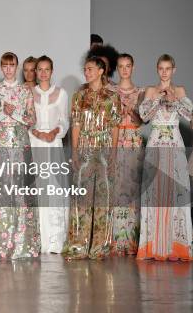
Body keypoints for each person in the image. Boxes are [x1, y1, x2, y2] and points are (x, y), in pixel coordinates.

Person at [0, 52, 39, 260]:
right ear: (1, 67)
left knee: (20, 191)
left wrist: (14, 113)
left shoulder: (25, 91)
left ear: (17, 66)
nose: (8, 69)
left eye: (11, 65)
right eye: (4, 66)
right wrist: (4, 112)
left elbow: (32, 119)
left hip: (20, 145)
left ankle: (22, 243)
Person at [63, 56, 121, 260]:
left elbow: (115, 127)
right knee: (81, 197)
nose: (86, 72)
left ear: (100, 71)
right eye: (85, 69)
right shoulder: (79, 96)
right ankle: (78, 245)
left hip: (104, 150)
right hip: (85, 149)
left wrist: (113, 153)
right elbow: (76, 126)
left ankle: (100, 246)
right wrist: (75, 152)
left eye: (89, 69)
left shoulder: (112, 97)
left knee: (103, 198)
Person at [137, 54, 193, 261]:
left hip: (175, 145)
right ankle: (154, 246)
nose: (164, 72)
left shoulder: (180, 91)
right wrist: (159, 98)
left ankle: (175, 247)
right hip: (156, 144)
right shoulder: (151, 91)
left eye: (168, 68)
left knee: (175, 190)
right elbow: (144, 116)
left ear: (174, 70)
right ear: (157, 69)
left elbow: (189, 114)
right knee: (155, 192)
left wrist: (174, 99)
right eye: (161, 68)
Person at [29, 55, 69, 253]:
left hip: (53, 144)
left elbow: (64, 120)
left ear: (52, 71)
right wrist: (35, 131)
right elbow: (27, 120)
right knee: (36, 187)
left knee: (53, 187)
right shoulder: (29, 93)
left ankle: (54, 240)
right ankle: (37, 240)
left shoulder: (61, 93)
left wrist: (54, 132)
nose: (43, 73)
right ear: (35, 72)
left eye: (47, 69)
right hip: (35, 142)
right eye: (40, 69)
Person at [109, 53, 144, 255]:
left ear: (133, 67)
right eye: (121, 66)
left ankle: (132, 240)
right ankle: (115, 240)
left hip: (133, 141)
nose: (124, 69)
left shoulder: (141, 92)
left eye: (128, 66)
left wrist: (132, 113)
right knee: (115, 187)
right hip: (115, 140)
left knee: (132, 189)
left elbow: (141, 122)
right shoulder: (111, 91)